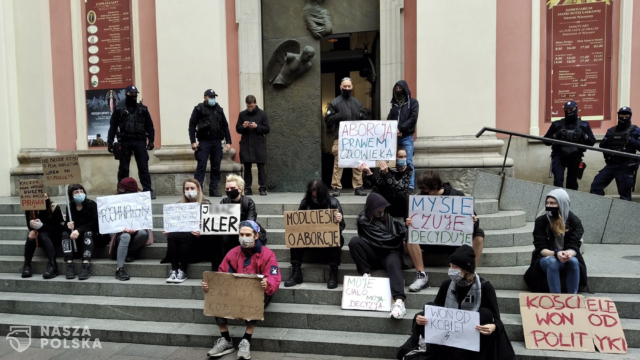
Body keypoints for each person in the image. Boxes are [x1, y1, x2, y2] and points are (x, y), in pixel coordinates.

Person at [396, 245, 513, 360]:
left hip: (474, 340)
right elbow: (437, 311)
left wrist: (493, 327)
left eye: (455, 267)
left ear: (466, 269)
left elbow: (496, 319)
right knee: (428, 307)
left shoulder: (485, 287)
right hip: (449, 338)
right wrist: (420, 317)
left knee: (485, 313)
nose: (451, 269)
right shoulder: (447, 285)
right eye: (451, 265)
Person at [202, 220, 281, 359]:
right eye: (241, 234)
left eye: (247, 234)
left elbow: (274, 277)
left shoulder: (268, 254)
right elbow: (222, 275)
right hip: (234, 293)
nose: (244, 237)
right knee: (215, 295)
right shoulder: (232, 253)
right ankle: (226, 339)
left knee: (258, 295)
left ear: (256, 235)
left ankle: (246, 339)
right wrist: (210, 286)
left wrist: (266, 283)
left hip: (256, 294)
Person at [405, 171, 485, 293]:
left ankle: (470, 274)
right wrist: (409, 222)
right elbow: (413, 222)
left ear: (434, 188)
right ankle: (421, 275)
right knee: (409, 234)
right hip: (430, 241)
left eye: (426, 190)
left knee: (479, 235)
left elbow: (472, 225)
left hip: (453, 243)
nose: (423, 193)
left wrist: (473, 221)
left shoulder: (457, 196)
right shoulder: (420, 199)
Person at [348, 193, 407, 319]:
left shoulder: (389, 218)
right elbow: (381, 239)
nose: (381, 212)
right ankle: (365, 272)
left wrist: (408, 228)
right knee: (354, 242)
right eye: (378, 210)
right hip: (374, 253)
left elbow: (402, 231)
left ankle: (399, 301)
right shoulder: (363, 220)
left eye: (383, 210)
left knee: (393, 263)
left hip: (389, 254)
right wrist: (398, 239)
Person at [524, 189, 588, 294]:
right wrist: (556, 253)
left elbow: (575, 245)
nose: (549, 205)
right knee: (553, 262)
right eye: (547, 203)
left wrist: (568, 254)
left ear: (562, 204)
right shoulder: (541, 221)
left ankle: (572, 297)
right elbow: (540, 248)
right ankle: (556, 298)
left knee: (574, 261)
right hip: (547, 257)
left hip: (567, 257)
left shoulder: (574, 222)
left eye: (553, 203)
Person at [284, 180, 345, 289]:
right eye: (313, 196)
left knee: (338, 238)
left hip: (327, 243)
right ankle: (296, 271)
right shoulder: (305, 203)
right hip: (310, 242)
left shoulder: (333, 203)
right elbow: (298, 226)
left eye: (317, 196)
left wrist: (339, 221)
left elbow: (342, 227)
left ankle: (333, 271)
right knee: (295, 237)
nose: (315, 198)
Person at [107, 85, 156, 199]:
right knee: (124, 167)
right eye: (131, 94)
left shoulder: (143, 109)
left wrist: (151, 140)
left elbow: (149, 126)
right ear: (126, 94)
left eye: (135, 94)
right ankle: (122, 190)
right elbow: (113, 126)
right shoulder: (119, 108)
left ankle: (148, 190)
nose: (133, 96)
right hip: (125, 141)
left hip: (140, 141)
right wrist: (110, 141)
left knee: (143, 167)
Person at [160, 178, 210, 283]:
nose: (189, 190)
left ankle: (182, 270)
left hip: (199, 243)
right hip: (181, 243)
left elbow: (212, 229)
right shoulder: (178, 205)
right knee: (173, 236)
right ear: (183, 191)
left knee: (187, 235)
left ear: (198, 190)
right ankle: (174, 270)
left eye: (192, 188)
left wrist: (203, 230)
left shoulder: (206, 205)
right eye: (186, 188)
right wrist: (169, 230)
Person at [324, 77, 367, 197]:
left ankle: (358, 187)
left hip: (356, 138)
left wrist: (360, 115)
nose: (347, 88)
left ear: (352, 87)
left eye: (349, 86)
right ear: (341, 87)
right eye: (345, 86)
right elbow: (327, 119)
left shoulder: (357, 102)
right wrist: (339, 115)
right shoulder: (335, 102)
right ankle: (336, 187)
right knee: (338, 164)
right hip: (340, 138)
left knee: (357, 163)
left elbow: (365, 116)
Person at [543, 100, 596, 190]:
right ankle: (558, 201)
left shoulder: (584, 125)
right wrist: (556, 135)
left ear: (576, 109)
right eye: (566, 109)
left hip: (575, 156)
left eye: (571, 109)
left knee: (572, 182)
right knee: (558, 180)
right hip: (559, 155)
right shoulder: (557, 124)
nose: (569, 111)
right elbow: (546, 141)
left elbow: (591, 142)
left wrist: (584, 135)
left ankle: (571, 201)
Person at [590, 106, 640, 200]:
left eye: (626, 115)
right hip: (612, 163)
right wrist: (610, 140)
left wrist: (631, 141)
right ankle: (600, 208)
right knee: (596, 186)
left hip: (625, 165)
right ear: (618, 115)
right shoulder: (611, 130)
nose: (624, 117)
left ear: (630, 116)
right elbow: (602, 145)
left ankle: (624, 214)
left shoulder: (635, 130)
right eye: (622, 115)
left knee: (624, 195)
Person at [109, 177, 154, 281]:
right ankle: (119, 268)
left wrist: (136, 229)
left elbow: (144, 221)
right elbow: (110, 223)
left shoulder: (142, 200)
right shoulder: (114, 201)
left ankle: (128, 251)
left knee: (143, 233)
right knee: (125, 236)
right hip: (120, 233)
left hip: (137, 231)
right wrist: (121, 229)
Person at [189, 89, 232, 197]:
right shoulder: (199, 108)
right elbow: (192, 125)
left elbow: (225, 126)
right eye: (210, 96)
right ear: (205, 97)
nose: (212, 98)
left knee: (216, 166)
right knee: (201, 166)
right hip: (204, 142)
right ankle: (199, 191)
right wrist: (193, 141)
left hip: (217, 142)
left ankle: (213, 189)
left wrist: (228, 141)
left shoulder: (219, 109)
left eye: (213, 97)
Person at [214, 174, 260, 269]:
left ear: (240, 189)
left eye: (232, 188)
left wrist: (241, 225)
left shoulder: (248, 202)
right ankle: (220, 267)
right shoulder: (223, 202)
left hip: (242, 233)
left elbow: (250, 222)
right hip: (228, 235)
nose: (229, 191)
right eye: (227, 188)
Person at [358, 147, 412, 218]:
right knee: (374, 193)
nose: (403, 159)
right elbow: (378, 184)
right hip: (386, 197)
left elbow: (400, 187)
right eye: (400, 157)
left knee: (401, 194)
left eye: (405, 156)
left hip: (398, 200)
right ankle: (369, 218)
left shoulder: (408, 169)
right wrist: (369, 172)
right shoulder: (386, 167)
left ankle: (406, 222)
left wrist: (387, 174)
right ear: (394, 158)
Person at [21, 191, 64, 279]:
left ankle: (53, 265)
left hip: (53, 236)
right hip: (39, 237)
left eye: (45, 197)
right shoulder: (30, 209)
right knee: (32, 233)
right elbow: (30, 228)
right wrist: (32, 224)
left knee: (43, 234)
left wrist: (42, 226)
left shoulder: (54, 207)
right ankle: (27, 265)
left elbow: (58, 228)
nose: (43, 200)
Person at [387, 81, 419, 192]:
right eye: (397, 88)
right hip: (394, 138)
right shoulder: (394, 105)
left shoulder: (414, 103)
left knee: (408, 161)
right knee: (393, 161)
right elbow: (389, 119)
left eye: (401, 88)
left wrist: (400, 129)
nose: (398, 90)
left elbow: (413, 119)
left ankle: (410, 186)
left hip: (406, 137)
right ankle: (396, 184)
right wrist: (391, 129)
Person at [62, 184, 99, 280]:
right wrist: (68, 226)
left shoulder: (91, 204)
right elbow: (67, 224)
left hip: (91, 234)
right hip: (76, 236)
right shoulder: (70, 207)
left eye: (81, 191)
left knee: (88, 233)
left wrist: (79, 230)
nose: (80, 194)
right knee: (65, 234)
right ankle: (69, 264)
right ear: (71, 195)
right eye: (76, 192)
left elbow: (94, 223)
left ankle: (85, 264)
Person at [236, 95, 270, 196]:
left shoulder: (262, 114)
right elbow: (237, 129)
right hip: (246, 144)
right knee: (247, 167)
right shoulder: (242, 114)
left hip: (258, 144)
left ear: (255, 103)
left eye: (251, 106)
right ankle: (247, 188)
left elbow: (267, 129)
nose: (250, 108)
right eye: (248, 106)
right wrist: (243, 126)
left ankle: (262, 188)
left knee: (261, 167)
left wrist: (256, 126)